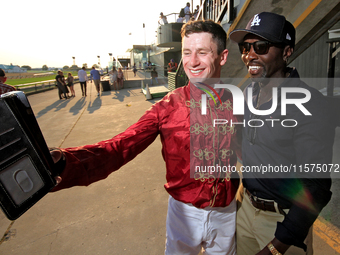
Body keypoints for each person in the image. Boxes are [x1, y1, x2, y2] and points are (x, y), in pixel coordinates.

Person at [50, 20, 242, 254]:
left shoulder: (238, 103)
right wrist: (65, 164)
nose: (192, 62)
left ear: (222, 57)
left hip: (226, 212)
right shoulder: (166, 107)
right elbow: (120, 146)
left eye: (202, 52)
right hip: (183, 214)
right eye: (187, 52)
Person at [229, 12, 336, 255]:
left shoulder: (310, 105)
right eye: (245, 47)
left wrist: (276, 248)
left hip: (282, 225)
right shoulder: (249, 92)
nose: (249, 55)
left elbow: (316, 188)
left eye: (261, 46)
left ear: (287, 52)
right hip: (245, 211)